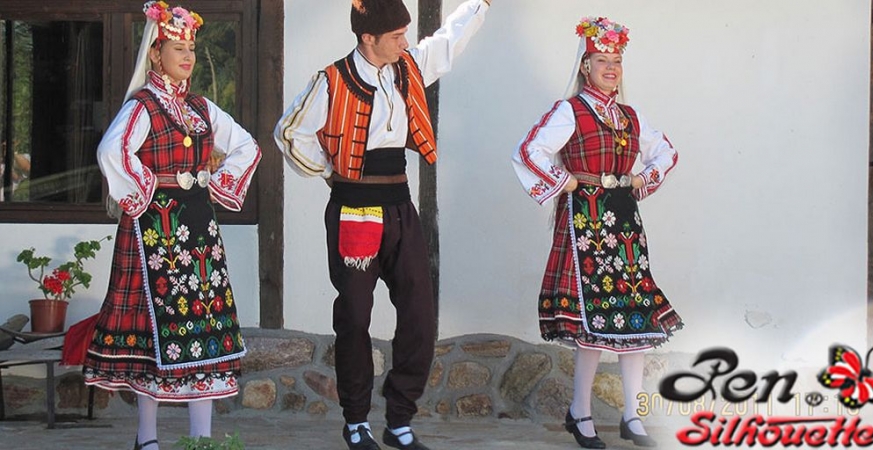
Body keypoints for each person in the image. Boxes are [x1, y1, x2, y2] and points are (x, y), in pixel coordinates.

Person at [274, 0, 492, 448]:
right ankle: (356, 420)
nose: (405, 42)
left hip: (399, 203)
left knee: (419, 313)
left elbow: (449, 40)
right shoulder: (331, 80)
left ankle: (399, 420)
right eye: (396, 36)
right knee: (354, 317)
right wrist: (331, 167)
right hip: (355, 209)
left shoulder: (406, 66)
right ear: (367, 37)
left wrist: (481, 3)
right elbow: (289, 132)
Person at [83, 2, 261, 449]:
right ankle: (147, 439)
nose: (187, 57)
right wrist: (144, 191)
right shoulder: (143, 105)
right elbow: (112, 150)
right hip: (154, 234)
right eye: (177, 48)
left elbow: (246, 145)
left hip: (198, 231)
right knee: (155, 337)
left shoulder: (200, 108)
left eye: (191, 49)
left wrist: (216, 185)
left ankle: (201, 440)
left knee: (201, 331)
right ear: (156, 53)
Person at [512, 16, 682, 449]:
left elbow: (667, 152)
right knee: (595, 318)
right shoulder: (569, 111)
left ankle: (631, 415)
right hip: (585, 219)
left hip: (623, 220)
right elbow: (530, 151)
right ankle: (581, 411)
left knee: (635, 314)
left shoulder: (630, 115)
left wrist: (645, 177)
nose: (611, 68)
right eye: (602, 60)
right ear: (585, 65)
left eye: (616, 61)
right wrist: (563, 181)